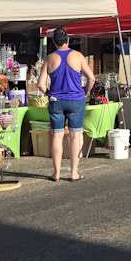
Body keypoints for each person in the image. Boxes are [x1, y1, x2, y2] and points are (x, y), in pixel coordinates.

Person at [39, 27, 94, 182]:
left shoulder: (50, 58)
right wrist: (85, 91)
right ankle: (74, 173)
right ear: (68, 39)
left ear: (54, 42)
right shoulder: (78, 56)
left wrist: (49, 93)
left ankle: (56, 173)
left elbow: (40, 84)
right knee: (75, 135)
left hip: (56, 100)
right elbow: (91, 78)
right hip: (76, 99)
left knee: (57, 135)